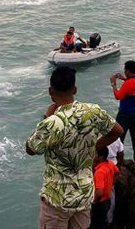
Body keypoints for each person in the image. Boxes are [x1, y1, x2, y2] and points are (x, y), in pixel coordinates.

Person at [26, 66, 123, 229]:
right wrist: (93, 147)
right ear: (75, 89)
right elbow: (117, 131)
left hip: (57, 199)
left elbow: (30, 149)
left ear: (50, 91)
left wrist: (47, 117)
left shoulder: (52, 122)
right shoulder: (93, 111)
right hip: (83, 195)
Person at [110, 60, 135, 164]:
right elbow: (132, 84)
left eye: (125, 70)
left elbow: (118, 96)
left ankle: (117, 162)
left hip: (125, 115)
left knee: (118, 138)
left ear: (128, 71)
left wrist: (113, 83)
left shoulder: (128, 84)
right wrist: (124, 78)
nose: (124, 72)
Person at [92, 147, 120, 229]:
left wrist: (94, 202)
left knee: (96, 224)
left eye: (96, 154)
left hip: (99, 203)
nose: (94, 155)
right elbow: (117, 172)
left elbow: (99, 192)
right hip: (107, 200)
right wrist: (111, 184)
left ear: (101, 156)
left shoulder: (99, 172)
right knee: (103, 222)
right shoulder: (110, 164)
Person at [106, 138, 124, 224]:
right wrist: (118, 167)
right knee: (111, 193)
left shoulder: (97, 135)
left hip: (100, 166)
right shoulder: (116, 137)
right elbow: (121, 154)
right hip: (113, 165)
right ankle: (109, 219)